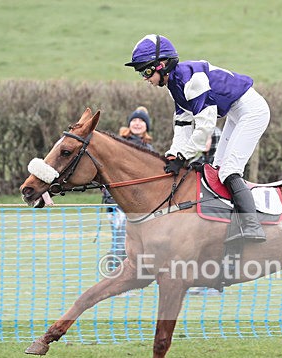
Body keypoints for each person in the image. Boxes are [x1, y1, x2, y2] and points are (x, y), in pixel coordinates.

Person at [124, 34, 270, 243]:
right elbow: (182, 125)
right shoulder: (174, 85)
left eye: (146, 71)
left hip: (252, 111)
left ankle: (252, 225)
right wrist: (174, 155)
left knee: (229, 170)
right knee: (217, 170)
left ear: (162, 65)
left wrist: (185, 156)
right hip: (236, 112)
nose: (145, 78)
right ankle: (230, 225)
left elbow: (205, 126)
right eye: (142, 73)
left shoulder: (191, 80)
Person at [102, 106, 155, 259]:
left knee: (137, 242)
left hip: (138, 204)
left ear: (147, 126)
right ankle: (116, 273)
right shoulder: (118, 143)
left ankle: (130, 273)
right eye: (134, 120)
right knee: (119, 241)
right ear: (129, 124)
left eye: (141, 121)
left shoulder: (148, 148)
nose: (137, 123)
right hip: (116, 201)